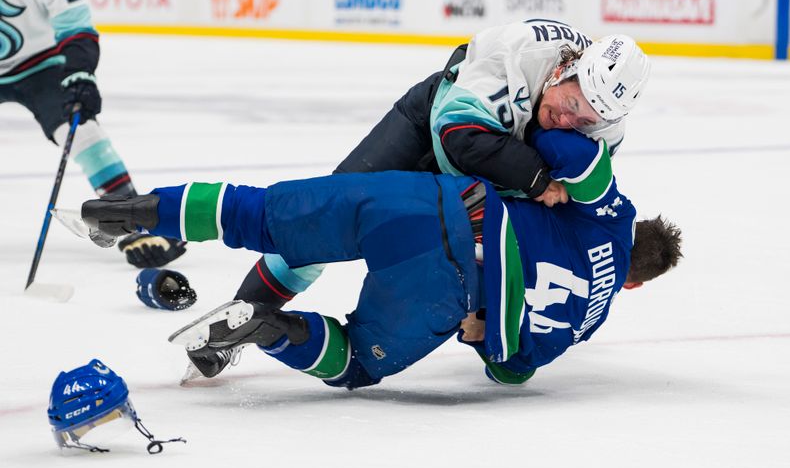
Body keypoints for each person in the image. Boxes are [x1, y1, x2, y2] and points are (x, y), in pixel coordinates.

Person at [80, 128, 682, 388]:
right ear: (636, 285)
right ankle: (272, 327)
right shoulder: (589, 317)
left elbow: (564, 147)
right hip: (450, 284)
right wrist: (480, 337)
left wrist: (547, 180)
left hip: (438, 200)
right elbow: (512, 368)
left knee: (260, 213)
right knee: (358, 363)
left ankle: (138, 209)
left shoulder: (612, 212)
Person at [231, 21, 653, 349]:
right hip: (428, 126)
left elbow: (546, 223)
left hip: (482, 178)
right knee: (327, 215)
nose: (569, 122)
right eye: (572, 104)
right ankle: (246, 310)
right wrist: (538, 178)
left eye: (586, 122)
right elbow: (460, 134)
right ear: (563, 70)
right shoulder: (520, 49)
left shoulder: (606, 134)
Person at [0, 0, 184, 268]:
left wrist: (79, 74)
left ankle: (128, 214)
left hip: (40, 64)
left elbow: (76, 27)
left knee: (84, 133)